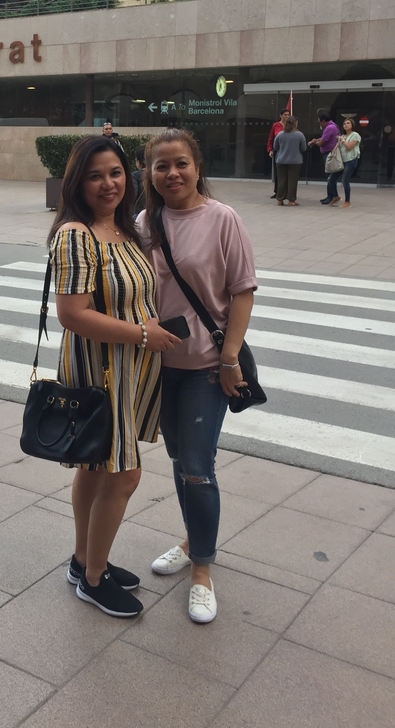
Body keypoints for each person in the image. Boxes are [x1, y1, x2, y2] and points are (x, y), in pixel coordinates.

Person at [49, 135, 181, 618]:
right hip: (99, 370)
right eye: (95, 175)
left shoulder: (125, 229)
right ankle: (94, 579)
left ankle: (84, 559)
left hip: (128, 368)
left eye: (116, 173)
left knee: (93, 467)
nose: (108, 183)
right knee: (124, 475)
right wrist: (142, 336)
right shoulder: (76, 234)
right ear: (76, 182)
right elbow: (71, 314)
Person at [137, 128, 257, 625]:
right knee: (179, 459)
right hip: (158, 369)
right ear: (150, 173)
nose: (172, 173)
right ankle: (192, 540)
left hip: (207, 367)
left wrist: (229, 358)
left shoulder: (222, 219)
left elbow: (243, 290)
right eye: (161, 166)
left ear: (197, 165)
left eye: (181, 163)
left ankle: (202, 571)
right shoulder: (147, 221)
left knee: (198, 468)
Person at [272, 116, 307, 206]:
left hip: (281, 160)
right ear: (295, 124)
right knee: (292, 181)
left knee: (281, 180)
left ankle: (280, 199)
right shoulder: (299, 135)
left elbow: (275, 147)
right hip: (295, 161)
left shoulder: (280, 134)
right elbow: (303, 148)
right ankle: (291, 200)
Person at [307, 109, 340, 205]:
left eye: (320, 123)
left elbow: (322, 142)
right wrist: (316, 140)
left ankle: (332, 196)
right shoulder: (331, 127)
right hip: (328, 154)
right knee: (328, 176)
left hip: (330, 155)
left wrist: (314, 142)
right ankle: (330, 195)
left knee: (330, 176)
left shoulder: (330, 128)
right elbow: (323, 138)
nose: (320, 125)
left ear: (324, 121)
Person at [328, 118, 361, 208]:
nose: (346, 125)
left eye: (348, 123)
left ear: (352, 125)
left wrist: (342, 140)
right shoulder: (343, 136)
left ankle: (347, 201)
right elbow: (336, 148)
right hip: (342, 161)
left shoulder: (355, 135)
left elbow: (349, 147)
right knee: (331, 179)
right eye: (344, 124)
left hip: (351, 160)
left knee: (345, 180)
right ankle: (335, 196)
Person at [266, 108, 290, 198]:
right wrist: (270, 149)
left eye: (288, 115)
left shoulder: (290, 126)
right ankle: (278, 191)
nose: (287, 117)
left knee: (288, 172)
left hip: (288, 150)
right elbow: (270, 139)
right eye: (285, 115)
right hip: (278, 151)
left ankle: (287, 192)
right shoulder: (276, 125)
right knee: (278, 172)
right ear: (281, 115)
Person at [131, 145, 146, 217]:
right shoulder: (159, 174)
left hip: (139, 214)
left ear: (138, 162)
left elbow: (132, 196)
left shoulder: (135, 176)